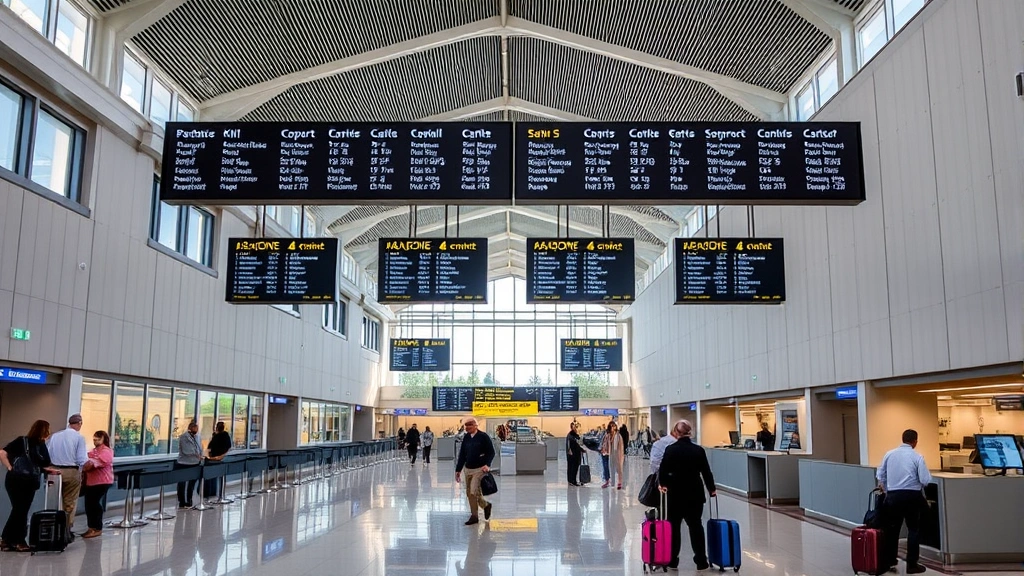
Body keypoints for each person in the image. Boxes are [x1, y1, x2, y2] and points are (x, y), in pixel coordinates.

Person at [658, 420, 716, 571]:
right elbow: (706, 471)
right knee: (696, 526)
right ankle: (701, 561)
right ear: (690, 432)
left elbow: (663, 470)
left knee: (674, 527)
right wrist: (711, 489)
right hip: (695, 494)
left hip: (675, 494)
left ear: (676, 433)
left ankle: (672, 560)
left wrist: (663, 484)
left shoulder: (670, 449)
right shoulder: (698, 450)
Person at [876, 429, 932, 575]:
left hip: (893, 497)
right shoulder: (917, 456)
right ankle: (912, 565)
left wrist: (888, 488)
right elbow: (925, 480)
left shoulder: (889, 454)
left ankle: (889, 561)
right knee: (913, 529)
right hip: (912, 497)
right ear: (915, 441)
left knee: (892, 530)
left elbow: (880, 475)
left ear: (902, 439)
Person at [0, 420, 58, 552]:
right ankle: (19, 541)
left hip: (13, 479)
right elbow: (44, 462)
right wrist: (47, 469)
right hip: (28, 481)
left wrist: (10, 467)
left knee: (18, 510)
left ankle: (7, 540)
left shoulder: (21, 440)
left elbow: (2, 453)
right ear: (45, 431)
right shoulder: (40, 444)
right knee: (21, 510)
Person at [46, 413, 88, 539]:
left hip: (54, 471)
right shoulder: (79, 438)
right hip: (71, 472)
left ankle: (51, 528)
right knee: (69, 502)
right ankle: (66, 530)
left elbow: (48, 453)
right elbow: (82, 459)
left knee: (52, 500)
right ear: (79, 424)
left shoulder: (55, 436)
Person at [455, 417, 495, 525]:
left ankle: (483, 507)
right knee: (469, 493)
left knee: (473, 490)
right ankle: (476, 514)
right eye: (466, 426)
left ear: (476, 426)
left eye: (470, 425)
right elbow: (462, 455)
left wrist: (487, 464)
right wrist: (458, 470)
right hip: (468, 469)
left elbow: (491, 452)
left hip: (479, 469)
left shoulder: (483, 437)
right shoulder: (466, 438)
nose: (467, 427)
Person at [80, 431, 114, 539]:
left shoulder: (106, 451)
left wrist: (88, 463)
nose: (95, 442)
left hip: (102, 481)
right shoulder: (93, 451)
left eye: (98, 439)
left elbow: (93, 464)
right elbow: (85, 461)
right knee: (89, 504)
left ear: (104, 439)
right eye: (94, 440)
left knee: (94, 504)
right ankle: (91, 527)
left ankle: (97, 528)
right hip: (91, 482)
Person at [175, 421, 202, 508]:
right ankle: (182, 501)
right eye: (195, 428)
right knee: (182, 483)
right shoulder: (184, 437)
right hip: (184, 463)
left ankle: (189, 499)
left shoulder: (196, 437)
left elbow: (199, 448)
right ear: (190, 428)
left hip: (194, 463)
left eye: (197, 428)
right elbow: (186, 451)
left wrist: (200, 455)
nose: (196, 430)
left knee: (192, 483)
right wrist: (196, 454)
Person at [204, 421, 232, 498]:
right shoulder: (221, 435)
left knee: (212, 476)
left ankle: (210, 492)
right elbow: (228, 447)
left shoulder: (219, 436)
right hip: (217, 458)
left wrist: (218, 456)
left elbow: (210, 447)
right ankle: (212, 492)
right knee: (214, 476)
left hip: (215, 458)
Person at [566, 422, 586, 486]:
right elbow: (573, 445)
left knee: (573, 468)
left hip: (575, 454)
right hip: (573, 455)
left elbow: (577, 444)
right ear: (571, 427)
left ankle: (572, 480)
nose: (576, 428)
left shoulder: (574, 435)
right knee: (572, 468)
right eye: (574, 427)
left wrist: (581, 450)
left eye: (576, 427)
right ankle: (572, 481)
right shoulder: (571, 436)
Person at [610, 423, 626, 489]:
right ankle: (616, 482)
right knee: (617, 468)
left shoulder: (617, 436)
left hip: (616, 454)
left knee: (618, 468)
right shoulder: (615, 435)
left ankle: (619, 482)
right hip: (616, 454)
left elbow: (615, 447)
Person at [599, 421, 616, 488]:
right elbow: (603, 442)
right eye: (611, 426)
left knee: (610, 467)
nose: (612, 427)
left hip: (610, 453)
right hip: (604, 452)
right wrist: (601, 449)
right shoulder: (606, 433)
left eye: (613, 426)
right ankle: (607, 480)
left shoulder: (615, 434)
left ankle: (609, 480)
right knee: (605, 466)